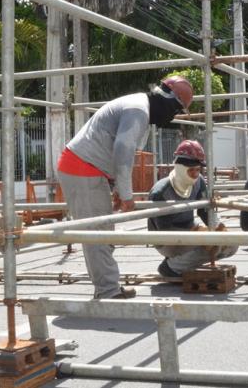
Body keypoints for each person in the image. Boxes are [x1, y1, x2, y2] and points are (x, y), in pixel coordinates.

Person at [56, 75, 193, 299]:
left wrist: (118, 188)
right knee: (97, 234)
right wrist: (127, 194)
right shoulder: (138, 109)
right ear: (169, 100)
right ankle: (108, 291)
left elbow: (117, 149)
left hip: (88, 169)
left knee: (102, 233)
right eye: (177, 109)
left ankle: (108, 287)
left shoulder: (140, 108)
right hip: (82, 168)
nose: (174, 115)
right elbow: (123, 149)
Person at [148, 140, 237, 277]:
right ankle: (171, 267)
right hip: (165, 240)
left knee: (230, 245)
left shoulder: (199, 181)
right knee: (207, 247)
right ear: (181, 168)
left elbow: (204, 210)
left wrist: (217, 227)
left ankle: (182, 260)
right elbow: (164, 231)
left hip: (190, 229)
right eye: (191, 170)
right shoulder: (161, 192)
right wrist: (199, 235)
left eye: (198, 170)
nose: (196, 174)